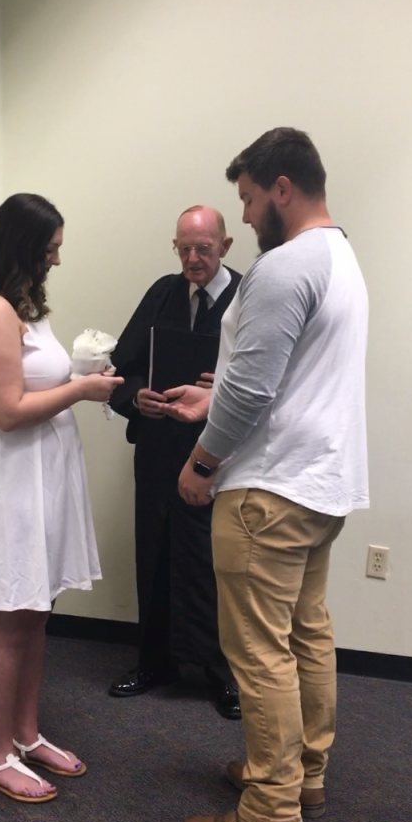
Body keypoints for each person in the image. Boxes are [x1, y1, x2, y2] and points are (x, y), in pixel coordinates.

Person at [165, 129, 368, 822]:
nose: (246, 216)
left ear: (282, 188)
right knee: (306, 633)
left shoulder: (284, 265)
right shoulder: (340, 256)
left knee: (259, 654)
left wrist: (201, 462)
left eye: (249, 199)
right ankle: (302, 776)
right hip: (320, 485)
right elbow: (278, 377)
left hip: (269, 492)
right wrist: (212, 395)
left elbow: (253, 391)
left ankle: (270, 810)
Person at [0, 194, 123, 803]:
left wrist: (79, 377)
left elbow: (34, 384)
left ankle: (25, 733)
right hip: (8, 476)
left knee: (36, 612)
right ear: (20, 245)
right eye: (50, 249)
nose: (56, 261)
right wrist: (81, 389)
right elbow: (8, 411)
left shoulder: (24, 307)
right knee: (8, 618)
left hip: (41, 472)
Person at [108, 206, 243, 719]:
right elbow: (122, 367)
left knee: (219, 563)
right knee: (156, 552)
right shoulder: (163, 294)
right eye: (183, 248)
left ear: (225, 246)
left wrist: (223, 389)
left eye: (203, 249)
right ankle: (155, 661)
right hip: (160, 451)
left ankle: (224, 674)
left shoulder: (247, 297)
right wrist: (136, 396)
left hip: (220, 456)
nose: (192, 258)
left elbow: (268, 375)